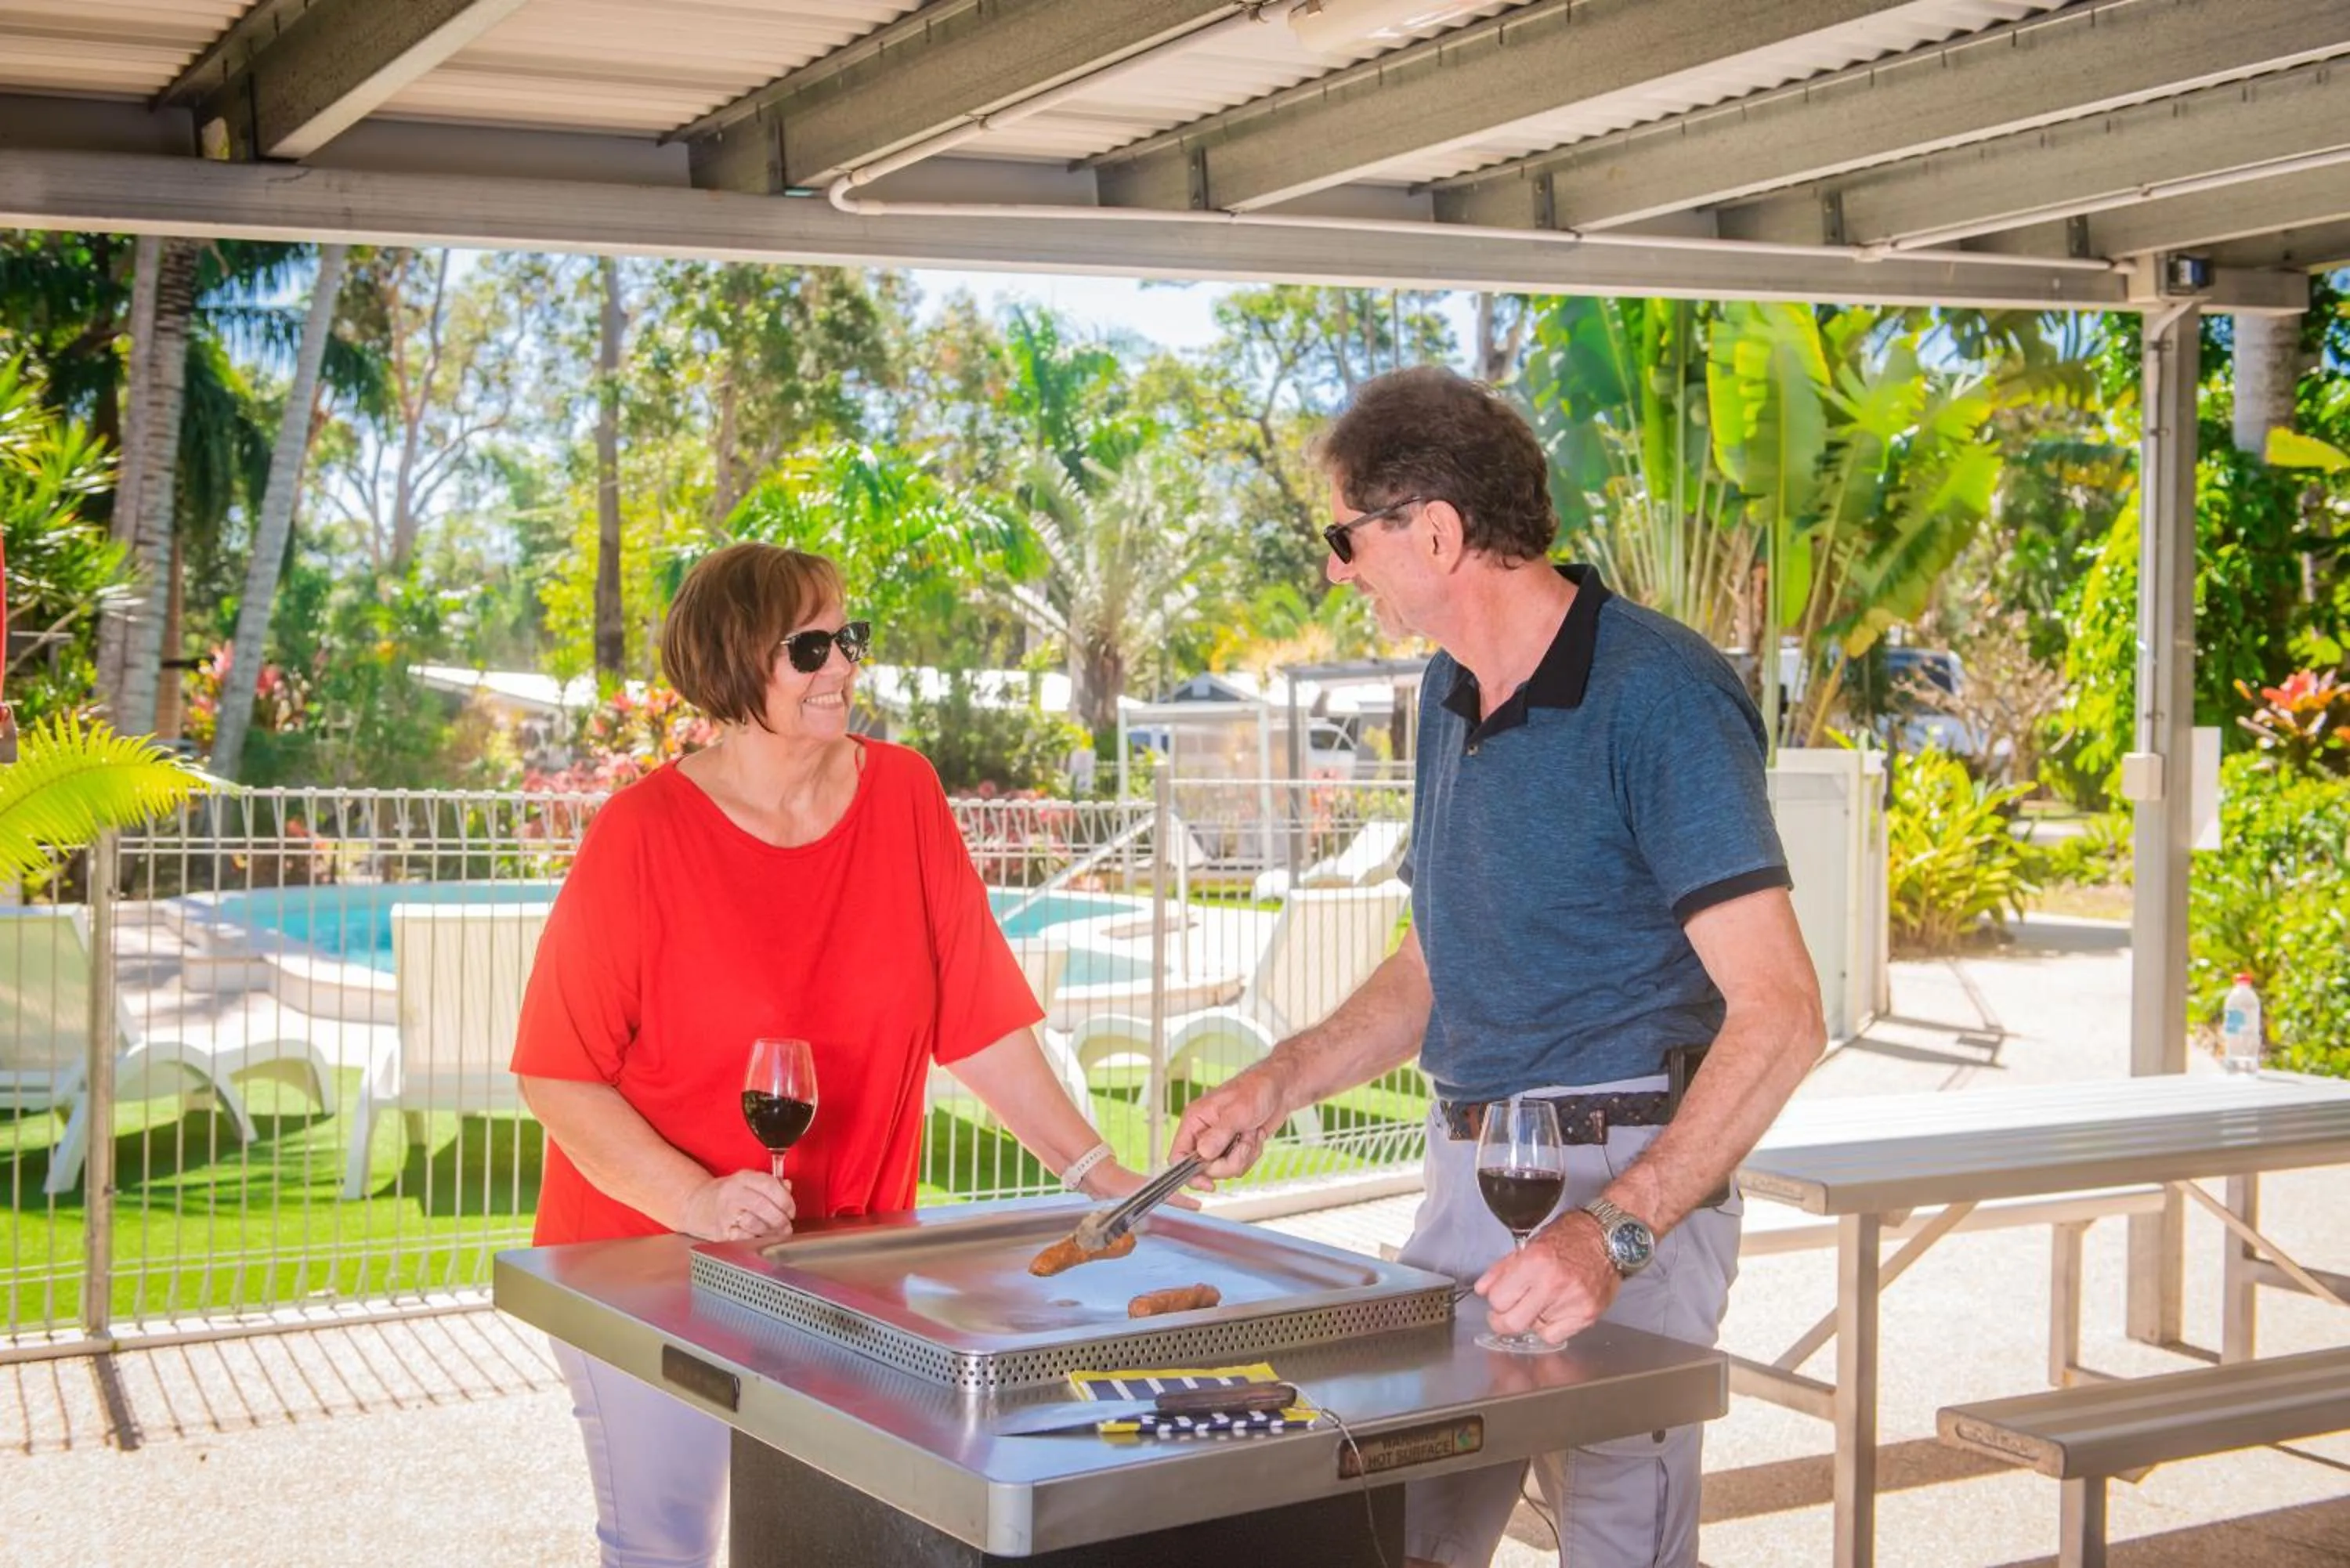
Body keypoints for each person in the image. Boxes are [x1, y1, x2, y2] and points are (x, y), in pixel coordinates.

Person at [1170, 368, 1826, 1568]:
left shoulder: (1660, 693)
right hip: (1469, 1175)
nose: (1336, 568)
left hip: (1626, 1180)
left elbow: (1783, 1014)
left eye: (1343, 536)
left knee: (1620, 1549)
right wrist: (1280, 1076)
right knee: (1394, 1535)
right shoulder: (1448, 691)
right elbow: (1435, 963)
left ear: (1435, 530)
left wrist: (1613, 1234)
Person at [512, 542, 1148, 1568]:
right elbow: (558, 1071)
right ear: (733, 663)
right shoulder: (641, 836)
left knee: (832, 1538)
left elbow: (978, 1021)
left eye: (848, 640)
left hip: (843, 1271)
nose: (844, 668)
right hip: (648, 1263)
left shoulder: (903, 795)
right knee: (666, 1546)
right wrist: (694, 1199)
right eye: (812, 647)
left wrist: (1098, 1170)